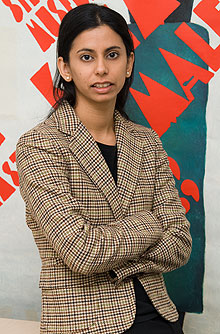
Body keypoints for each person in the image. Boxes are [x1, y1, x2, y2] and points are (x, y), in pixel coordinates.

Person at [16, 4, 192, 334]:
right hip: (84, 323)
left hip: (159, 318)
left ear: (128, 64)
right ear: (65, 68)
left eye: (112, 55)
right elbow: (81, 251)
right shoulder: (40, 145)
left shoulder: (146, 141)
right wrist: (152, 224)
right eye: (86, 57)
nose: (101, 68)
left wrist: (115, 245)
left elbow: (180, 242)